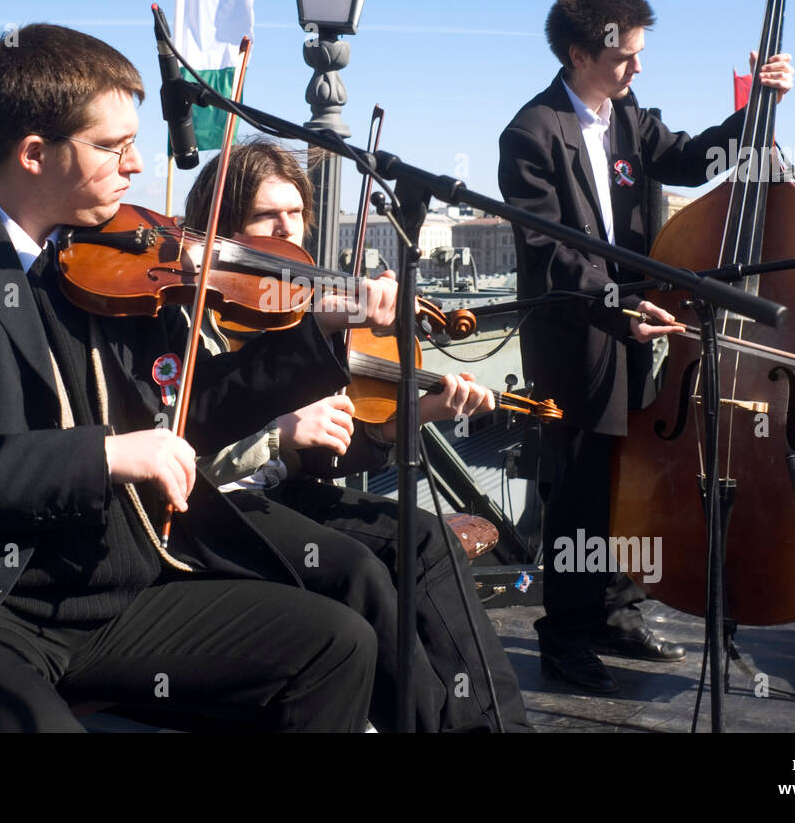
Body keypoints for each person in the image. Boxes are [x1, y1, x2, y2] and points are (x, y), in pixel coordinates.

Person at [0, 23, 405, 732]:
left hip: (111, 589)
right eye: (111, 146)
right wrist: (104, 454)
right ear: (35, 153)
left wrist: (317, 335)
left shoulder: (119, 255)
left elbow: (194, 409)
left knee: (335, 642)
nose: (136, 166)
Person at [497, 0, 795, 693]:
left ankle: (616, 608)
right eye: (625, 55)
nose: (638, 67)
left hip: (636, 331)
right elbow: (550, 250)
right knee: (575, 492)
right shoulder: (530, 134)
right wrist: (613, 305)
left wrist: (756, 110)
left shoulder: (626, 113)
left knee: (625, 479)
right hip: (576, 336)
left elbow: (693, 158)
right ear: (579, 52)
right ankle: (564, 635)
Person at [181, 139, 533, 732]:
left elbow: (325, 458)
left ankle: (497, 726)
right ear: (222, 225)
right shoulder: (189, 309)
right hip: (207, 509)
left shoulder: (287, 307)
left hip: (272, 496)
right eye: (268, 217)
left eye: (296, 215)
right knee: (356, 569)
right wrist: (279, 430)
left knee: (423, 537)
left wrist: (412, 416)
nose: (287, 231)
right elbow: (183, 436)